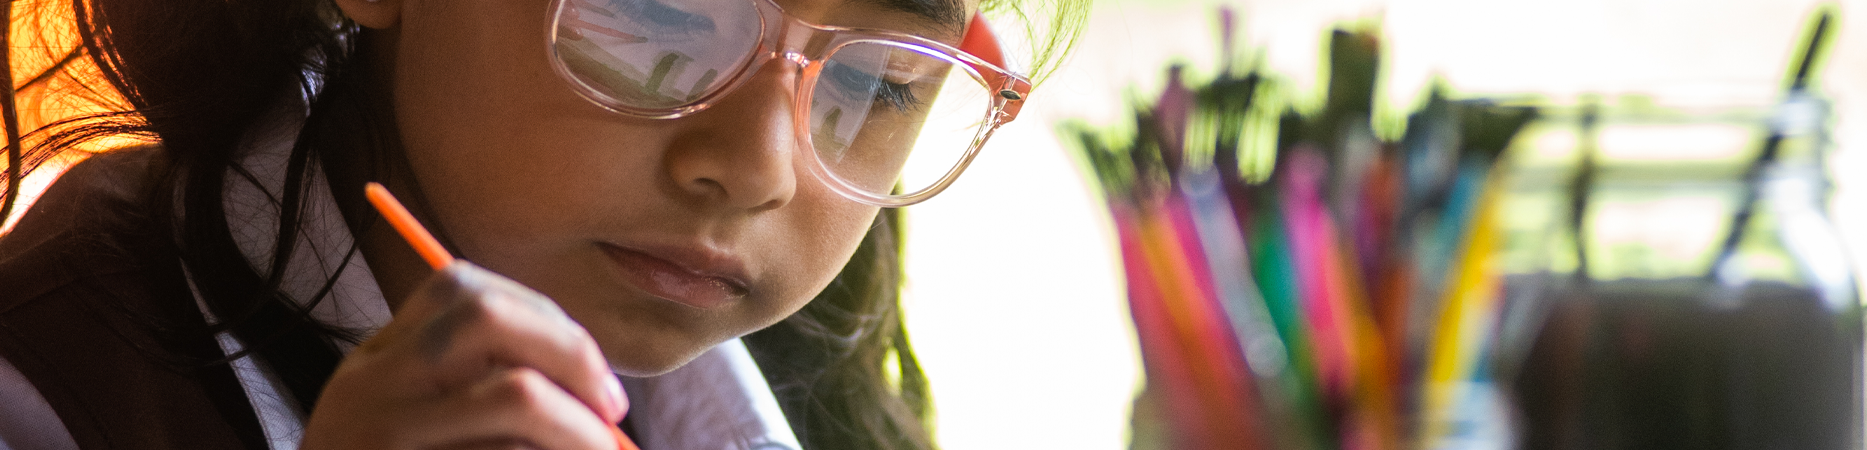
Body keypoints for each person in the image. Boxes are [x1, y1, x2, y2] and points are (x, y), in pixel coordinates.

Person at [0, 0, 1083, 448]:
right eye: (654, 16)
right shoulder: (52, 382)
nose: (757, 171)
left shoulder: (818, 387)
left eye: (878, 85)